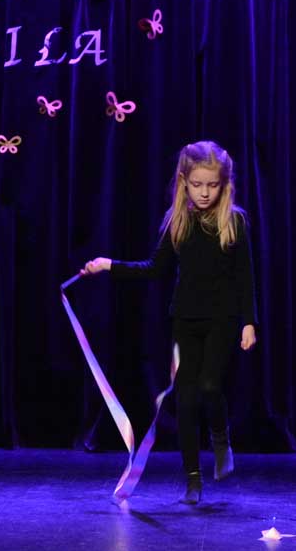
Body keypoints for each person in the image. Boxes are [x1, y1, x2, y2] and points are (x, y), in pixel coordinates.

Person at [82, 141, 258, 505]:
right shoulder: (177, 221)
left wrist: (248, 323)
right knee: (187, 399)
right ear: (184, 182)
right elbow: (154, 268)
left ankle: (220, 437)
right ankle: (193, 480)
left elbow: (246, 278)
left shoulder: (234, 222)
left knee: (210, 385)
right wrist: (109, 265)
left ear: (224, 184)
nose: (205, 192)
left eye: (212, 185)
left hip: (222, 319)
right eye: (197, 184)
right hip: (185, 319)